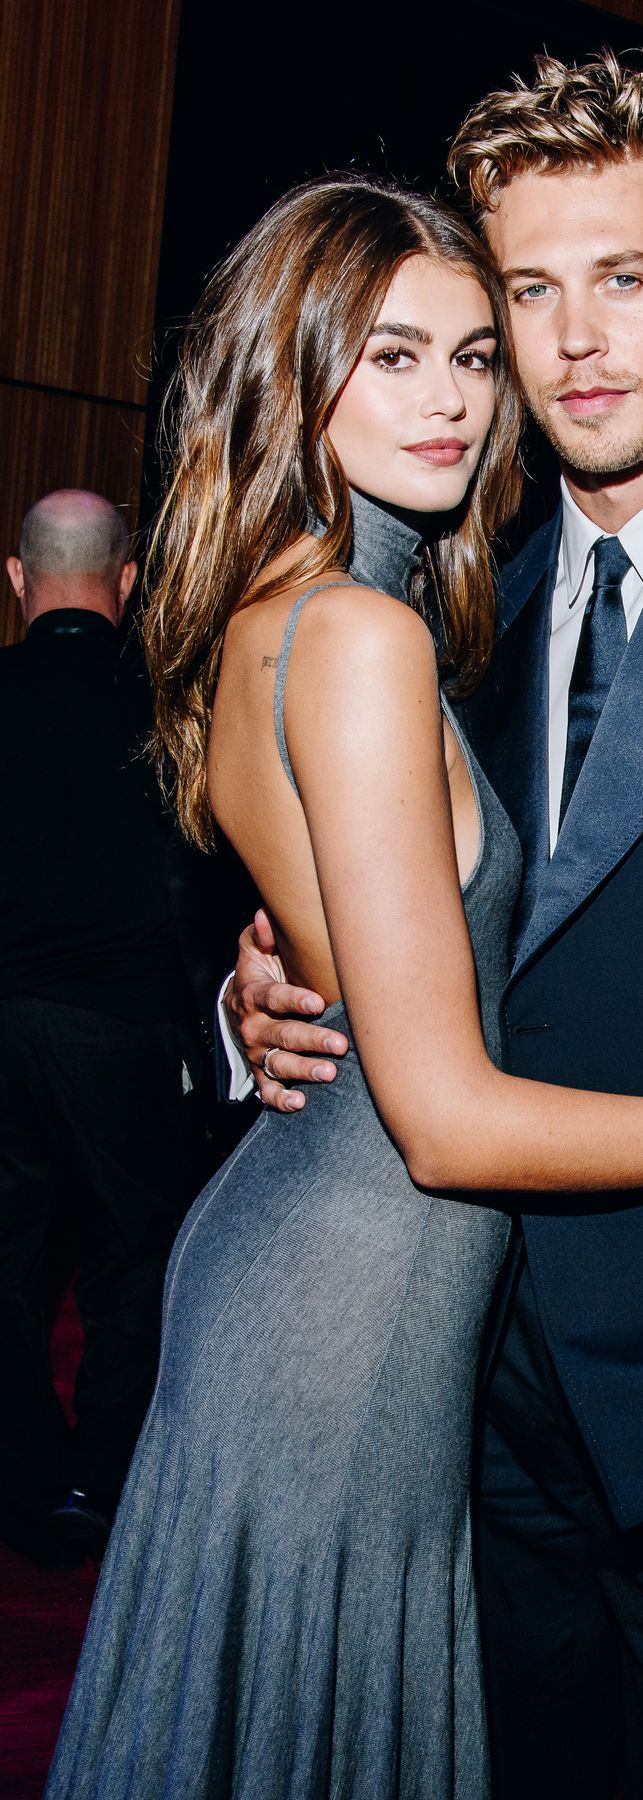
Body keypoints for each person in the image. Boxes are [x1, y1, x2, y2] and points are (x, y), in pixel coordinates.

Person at [44, 171, 643, 1800]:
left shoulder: (407, 593)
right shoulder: (413, 618)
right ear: (298, 364)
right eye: (408, 350)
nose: (476, 391)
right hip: (415, 1349)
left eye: (475, 352)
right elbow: (433, 1083)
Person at [0, 492, 197, 1565]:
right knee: (132, 1260)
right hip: (122, 1029)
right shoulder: (166, 707)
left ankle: (20, 1480)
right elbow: (197, 886)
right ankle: (98, 1483)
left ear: (20, 579)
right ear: (126, 583)